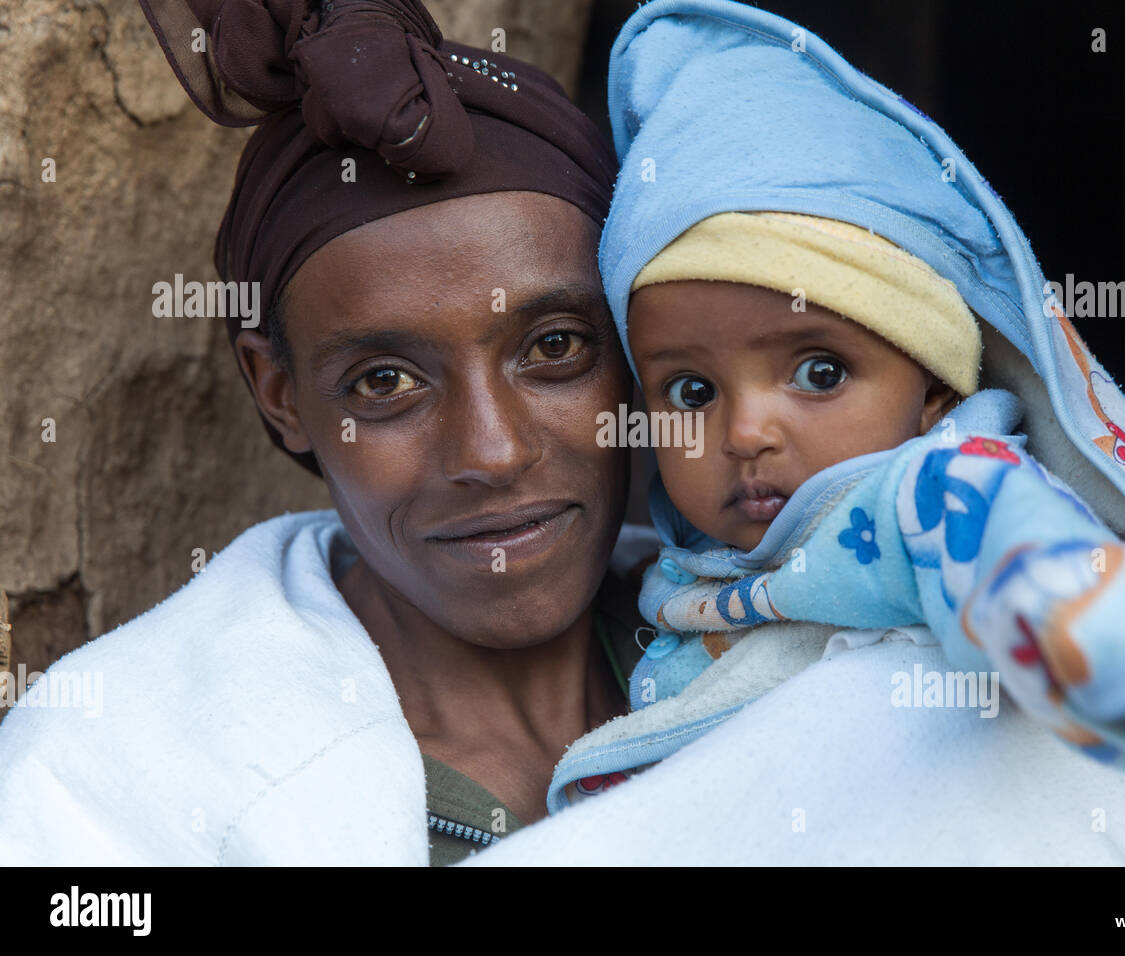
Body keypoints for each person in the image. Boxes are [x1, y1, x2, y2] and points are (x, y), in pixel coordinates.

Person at [457, 0, 1125, 865]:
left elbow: (1017, 557)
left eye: (820, 372)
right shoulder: (674, 571)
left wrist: (1103, 660)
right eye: (691, 389)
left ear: (934, 393)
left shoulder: (932, 490)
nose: (746, 431)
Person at [0, 0, 659, 865]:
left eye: (555, 348)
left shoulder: (786, 646)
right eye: (385, 382)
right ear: (279, 396)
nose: (493, 454)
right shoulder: (105, 788)